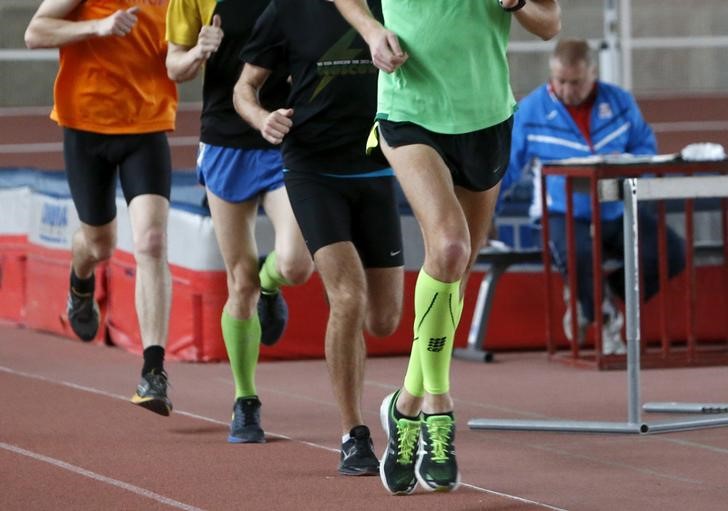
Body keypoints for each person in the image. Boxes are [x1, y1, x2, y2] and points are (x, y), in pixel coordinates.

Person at [334, 0, 561, 495]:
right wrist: (372, 31)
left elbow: (550, 25)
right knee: (451, 247)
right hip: (409, 108)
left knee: (454, 271)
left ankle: (407, 402)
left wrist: (520, 5)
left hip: (485, 117)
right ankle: (438, 411)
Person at [234, 0, 404, 475]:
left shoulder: (389, 6)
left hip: (376, 166)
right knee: (347, 297)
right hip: (313, 169)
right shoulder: (287, 10)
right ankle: (354, 435)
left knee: (384, 320)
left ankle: (390, 409)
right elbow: (244, 88)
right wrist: (261, 118)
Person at [165, 0, 314, 443]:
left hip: (286, 136)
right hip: (226, 141)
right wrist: (197, 53)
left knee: (296, 264)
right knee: (240, 281)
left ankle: (274, 285)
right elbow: (175, 66)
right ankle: (245, 400)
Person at [25, 0, 180, 416]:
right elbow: (35, 32)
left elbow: (178, 57)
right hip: (85, 128)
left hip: (146, 128)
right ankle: (80, 282)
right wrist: (98, 28)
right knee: (100, 245)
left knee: (151, 240)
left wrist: (197, 52)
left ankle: (153, 370)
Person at [504, 38, 685, 355]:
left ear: (592, 74)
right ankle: (601, 311)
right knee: (580, 255)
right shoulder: (531, 110)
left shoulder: (620, 102)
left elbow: (645, 147)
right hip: (560, 212)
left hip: (616, 209)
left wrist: (626, 165)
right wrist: (482, 214)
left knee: (672, 250)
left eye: (575, 82)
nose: (566, 88)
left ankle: (601, 297)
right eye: (559, 80)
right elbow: (506, 168)